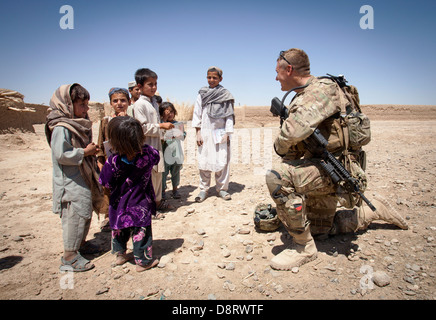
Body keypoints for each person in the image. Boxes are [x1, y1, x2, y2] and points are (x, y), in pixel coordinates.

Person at [266, 48, 408, 271]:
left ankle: (303, 249)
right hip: (325, 168)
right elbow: (295, 149)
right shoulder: (305, 96)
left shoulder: (320, 91)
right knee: (320, 230)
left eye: (277, 72)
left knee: (277, 178)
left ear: (289, 69)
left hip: (336, 171)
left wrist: (279, 147)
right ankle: (371, 212)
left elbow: (292, 133)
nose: (276, 77)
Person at [45, 83, 103, 272]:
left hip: (81, 178)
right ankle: (69, 256)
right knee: (74, 215)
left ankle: (82, 244)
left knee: (84, 211)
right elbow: (61, 154)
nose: (86, 109)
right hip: (70, 182)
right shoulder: (62, 127)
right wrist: (84, 152)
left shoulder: (77, 124)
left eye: (87, 105)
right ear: (68, 104)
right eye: (82, 105)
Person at [99, 116, 160, 272]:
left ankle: (120, 255)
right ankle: (143, 261)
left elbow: (105, 182)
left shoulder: (112, 161)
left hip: (118, 203)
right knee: (141, 230)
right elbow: (157, 157)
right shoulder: (148, 154)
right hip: (140, 202)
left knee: (119, 228)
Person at [132, 68, 174, 213]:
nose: (154, 87)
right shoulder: (139, 105)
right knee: (148, 176)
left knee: (157, 174)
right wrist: (161, 126)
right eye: (150, 84)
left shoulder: (154, 103)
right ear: (139, 86)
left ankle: (157, 203)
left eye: (155, 84)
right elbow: (142, 128)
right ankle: (148, 208)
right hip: (146, 146)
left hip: (157, 145)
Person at [192, 66, 234, 202]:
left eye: (214, 78)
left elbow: (229, 115)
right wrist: (198, 132)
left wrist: (228, 133)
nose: (211, 80)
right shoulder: (202, 93)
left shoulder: (225, 94)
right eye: (209, 77)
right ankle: (203, 189)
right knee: (204, 160)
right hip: (204, 131)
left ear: (220, 79)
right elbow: (197, 113)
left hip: (220, 132)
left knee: (222, 159)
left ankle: (222, 189)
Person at [96, 87, 131, 232]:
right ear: (110, 103)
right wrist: (100, 163)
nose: (119, 103)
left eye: (123, 100)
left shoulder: (131, 120)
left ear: (129, 102)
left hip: (127, 162)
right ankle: (109, 217)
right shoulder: (105, 121)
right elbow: (100, 144)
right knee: (109, 191)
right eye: (115, 101)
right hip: (109, 163)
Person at [159, 101, 186, 200]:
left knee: (176, 172)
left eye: (171, 112)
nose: (169, 114)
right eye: (166, 113)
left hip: (176, 153)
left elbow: (183, 135)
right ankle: (162, 191)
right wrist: (164, 120)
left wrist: (180, 135)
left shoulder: (178, 124)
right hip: (165, 153)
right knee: (163, 174)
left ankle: (175, 190)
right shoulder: (161, 124)